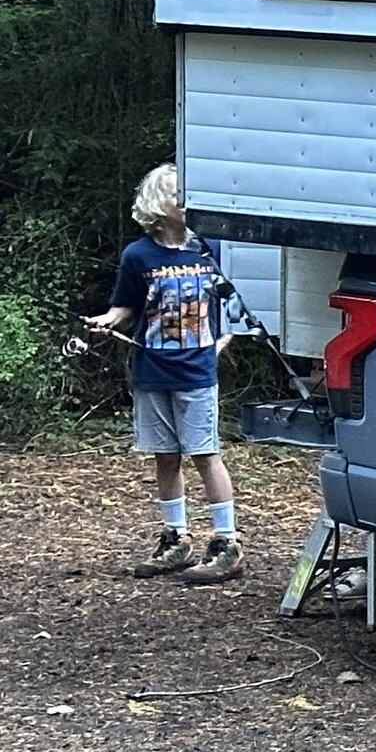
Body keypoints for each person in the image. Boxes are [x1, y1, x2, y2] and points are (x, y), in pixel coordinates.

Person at [81, 165, 244, 584]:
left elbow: (235, 299)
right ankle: (176, 539)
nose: (184, 200)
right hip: (152, 369)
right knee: (166, 457)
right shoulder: (138, 256)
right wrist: (106, 320)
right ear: (157, 202)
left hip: (197, 371)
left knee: (205, 454)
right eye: (176, 193)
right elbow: (125, 307)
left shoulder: (209, 248)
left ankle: (226, 544)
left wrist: (226, 337)